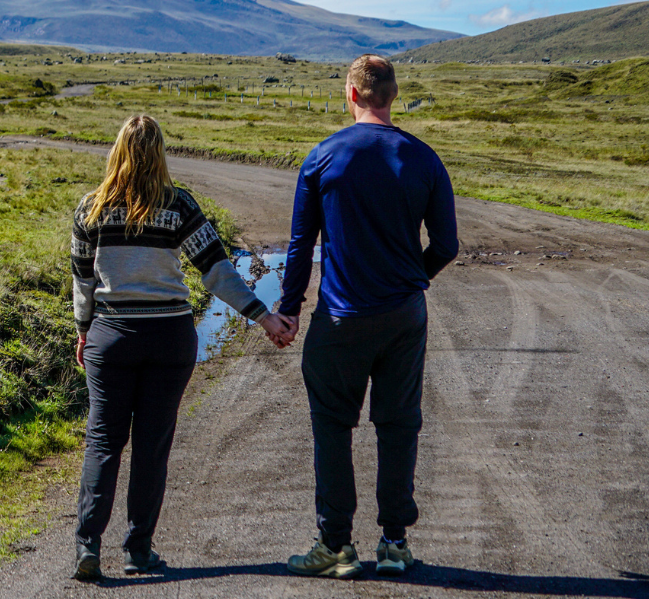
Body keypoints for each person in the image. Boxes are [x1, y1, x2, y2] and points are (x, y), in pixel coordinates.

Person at [71, 114, 295, 581]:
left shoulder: (89, 209)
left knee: (103, 440)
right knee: (152, 445)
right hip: (169, 337)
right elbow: (216, 270)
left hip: (111, 337)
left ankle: (87, 546)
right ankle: (138, 550)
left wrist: (84, 331)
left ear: (117, 151)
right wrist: (264, 316)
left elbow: (83, 282)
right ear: (159, 154)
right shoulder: (180, 205)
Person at [279, 54, 457, 579]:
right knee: (399, 424)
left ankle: (336, 545)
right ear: (393, 95)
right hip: (404, 315)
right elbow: (446, 245)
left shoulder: (323, 156)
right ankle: (395, 543)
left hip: (341, 316)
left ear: (352, 94)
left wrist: (289, 310)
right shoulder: (425, 158)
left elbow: (300, 245)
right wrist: (413, 278)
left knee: (333, 427)